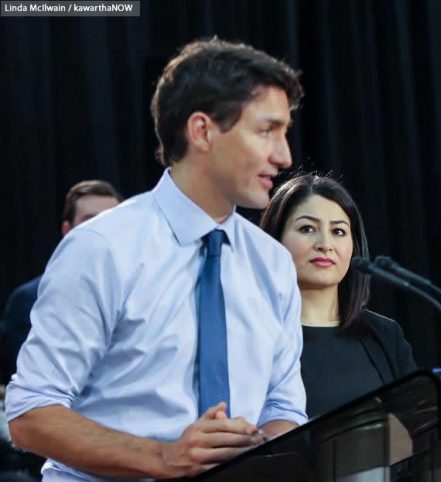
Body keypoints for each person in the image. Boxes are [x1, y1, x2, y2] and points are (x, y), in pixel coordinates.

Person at [6, 38, 306, 481]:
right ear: (202, 131)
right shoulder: (103, 248)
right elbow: (31, 413)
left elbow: (283, 407)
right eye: (266, 131)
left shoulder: (273, 263)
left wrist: (262, 452)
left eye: (285, 133)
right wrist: (161, 458)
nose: (285, 157)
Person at [260, 174, 417, 418]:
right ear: (274, 240)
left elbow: (416, 433)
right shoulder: (251, 334)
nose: (325, 244)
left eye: (339, 231)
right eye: (307, 228)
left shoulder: (385, 335)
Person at [0, 180, 123, 384]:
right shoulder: (29, 300)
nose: (104, 230)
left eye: (112, 221)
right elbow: (31, 388)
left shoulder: (144, 293)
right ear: (67, 231)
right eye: (91, 221)